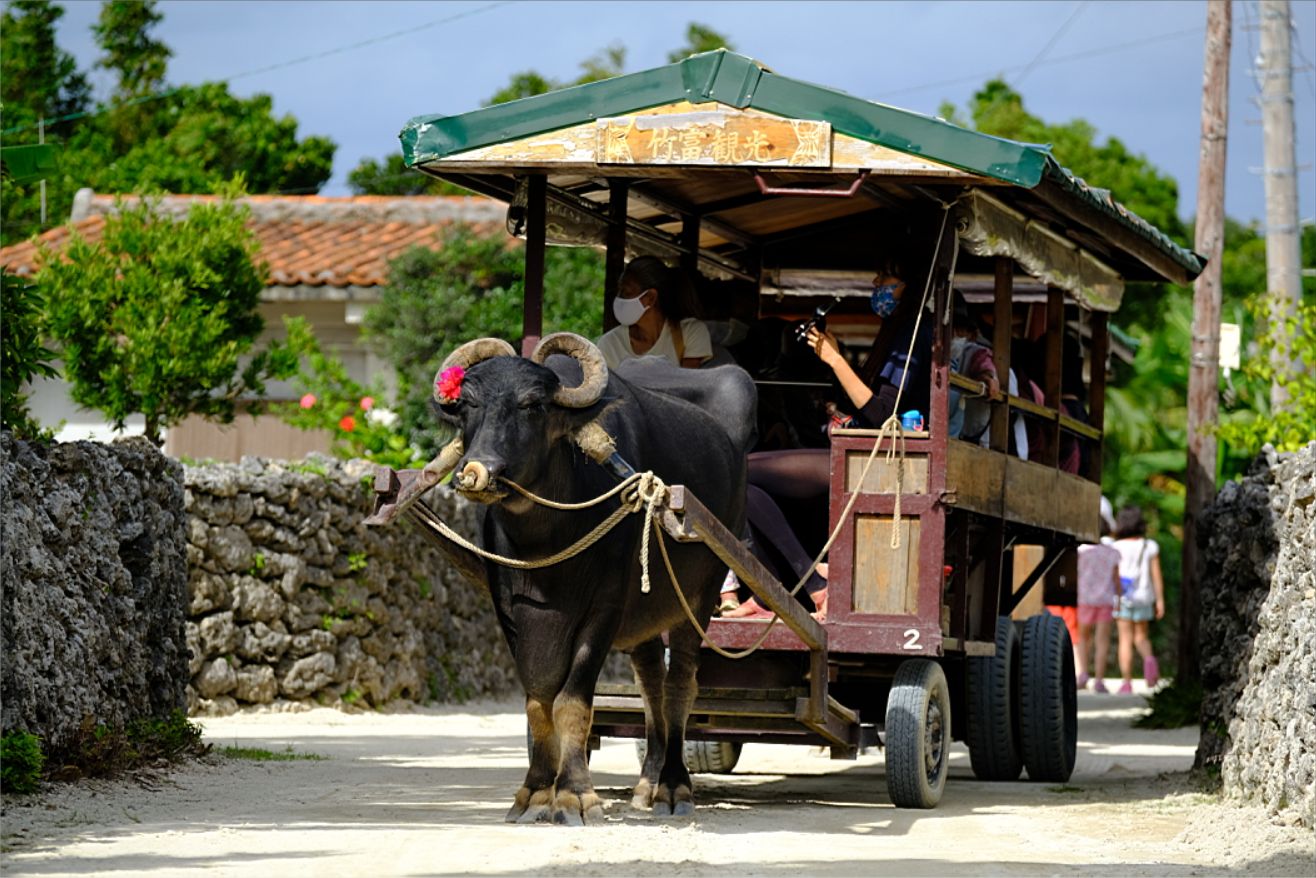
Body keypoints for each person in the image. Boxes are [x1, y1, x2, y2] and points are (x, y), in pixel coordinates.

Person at [725, 257, 932, 620]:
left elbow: (883, 413)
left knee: (737, 470)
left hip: (882, 461)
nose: (876, 280)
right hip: (859, 451)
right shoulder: (895, 329)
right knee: (740, 480)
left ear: (909, 286)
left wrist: (836, 360)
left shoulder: (916, 331)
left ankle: (812, 586)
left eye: (886, 275)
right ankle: (771, 591)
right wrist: (830, 356)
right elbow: (864, 401)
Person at [596, 256, 712, 370]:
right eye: (619, 291)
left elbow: (689, 385)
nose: (619, 299)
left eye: (626, 292)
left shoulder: (689, 333)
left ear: (650, 298)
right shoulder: (609, 344)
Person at [1111, 505, 1165, 693]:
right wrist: (1159, 600)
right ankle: (1149, 661)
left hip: (1123, 598)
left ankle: (1127, 682)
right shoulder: (1149, 546)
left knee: (1124, 640)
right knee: (1141, 637)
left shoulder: (1115, 547)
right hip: (1144, 597)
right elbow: (1156, 576)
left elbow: (1113, 576)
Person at [1075, 502, 1121, 693]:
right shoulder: (1113, 553)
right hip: (1105, 600)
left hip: (1084, 599)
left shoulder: (1081, 551)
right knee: (1102, 641)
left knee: (1083, 638)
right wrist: (1119, 596)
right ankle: (1099, 679)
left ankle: (1083, 673)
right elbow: (1116, 580)